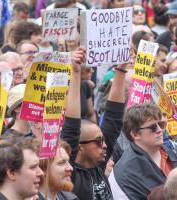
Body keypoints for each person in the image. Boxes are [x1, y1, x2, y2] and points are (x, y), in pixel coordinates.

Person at [61, 47, 126, 200]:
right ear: (79, 148)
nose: (104, 145)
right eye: (98, 142)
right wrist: (76, 73)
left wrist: (121, 70)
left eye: (103, 140)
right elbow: (72, 125)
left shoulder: (98, 165)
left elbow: (113, 118)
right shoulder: (69, 173)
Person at [109, 103, 177, 200]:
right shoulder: (124, 174)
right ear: (135, 134)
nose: (160, 130)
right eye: (153, 127)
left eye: (160, 124)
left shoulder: (169, 151)